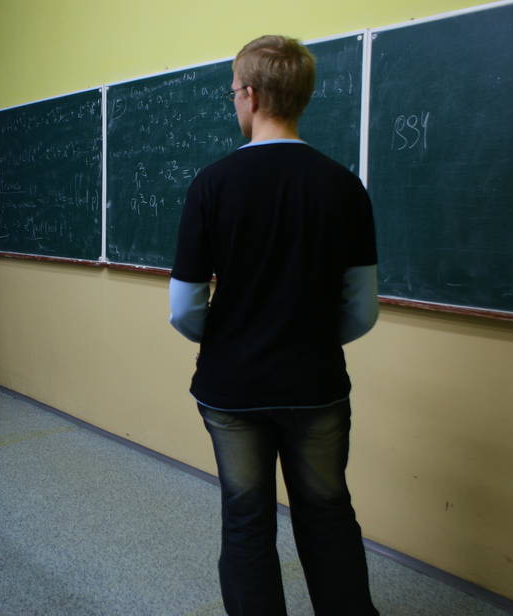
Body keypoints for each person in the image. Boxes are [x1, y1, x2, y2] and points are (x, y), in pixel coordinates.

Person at [169, 35, 380, 615]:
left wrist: (229, 340)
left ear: (253, 95)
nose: (235, 101)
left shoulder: (212, 184)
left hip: (232, 388)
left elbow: (184, 308)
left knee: (246, 516)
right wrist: (307, 339)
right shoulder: (344, 185)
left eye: (234, 92)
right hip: (316, 384)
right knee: (327, 512)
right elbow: (361, 309)